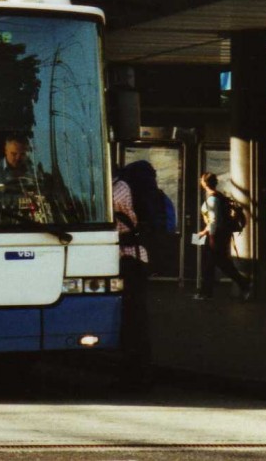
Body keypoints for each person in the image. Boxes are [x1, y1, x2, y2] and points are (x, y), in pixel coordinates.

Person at [112, 163, 151, 390]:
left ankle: (137, 376)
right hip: (131, 258)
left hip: (130, 259)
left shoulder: (119, 188)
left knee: (133, 320)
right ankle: (135, 373)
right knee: (133, 320)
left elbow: (115, 216)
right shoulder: (122, 186)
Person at [195, 172, 251, 301]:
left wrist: (208, 235)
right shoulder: (217, 196)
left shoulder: (212, 199)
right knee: (218, 263)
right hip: (217, 234)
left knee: (213, 264)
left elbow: (214, 221)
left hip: (215, 236)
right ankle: (243, 284)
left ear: (204, 183)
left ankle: (206, 293)